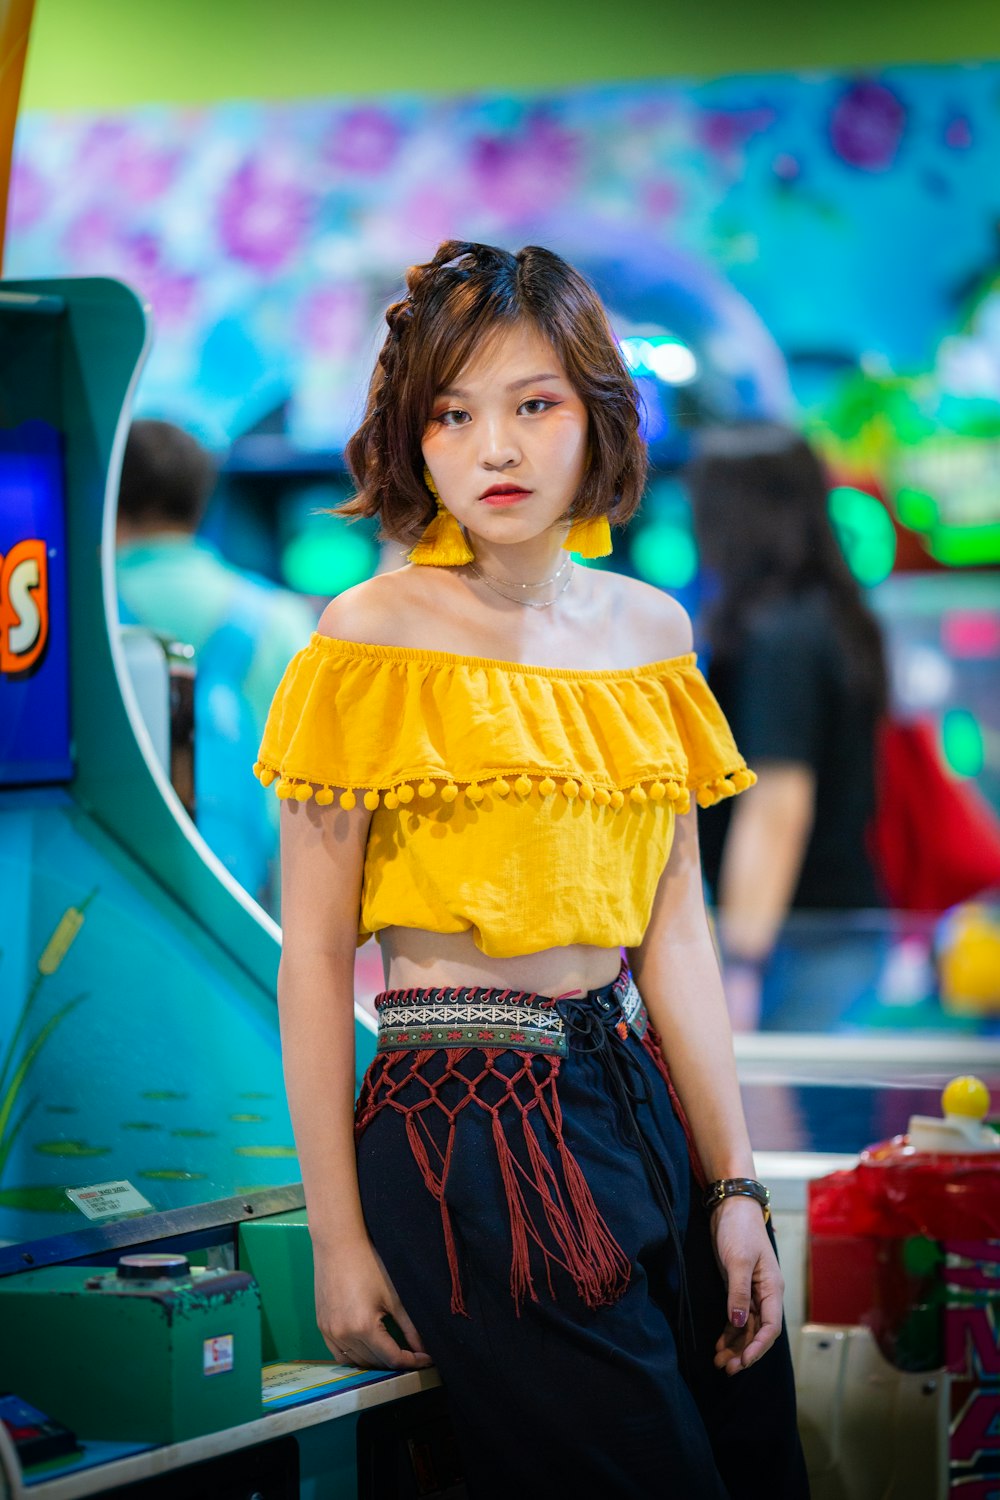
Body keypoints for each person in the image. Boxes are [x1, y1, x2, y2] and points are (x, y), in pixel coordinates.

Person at [256, 243, 809, 1498]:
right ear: (413, 436)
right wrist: (335, 1243)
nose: (492, 448)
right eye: (451, 413)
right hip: (462, 1118)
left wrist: (736, 1188)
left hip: (639, 1097)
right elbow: (314, 962)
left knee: (755, 1457)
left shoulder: (650, 634)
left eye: (532, 404)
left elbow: (675, 937)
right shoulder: (367, 638)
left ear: (596, 415)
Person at [687, 424, 889, 1033]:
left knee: (780, 1125)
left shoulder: (778, 635)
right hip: (837, 925)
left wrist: (742, 962)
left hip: (793, 942)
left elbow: (777, 803)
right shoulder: (836, 614)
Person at [117, 420, 315, 910]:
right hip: (249, 901)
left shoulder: (67, 612)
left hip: (107, 891)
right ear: (202, 502)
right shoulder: (279, 619)